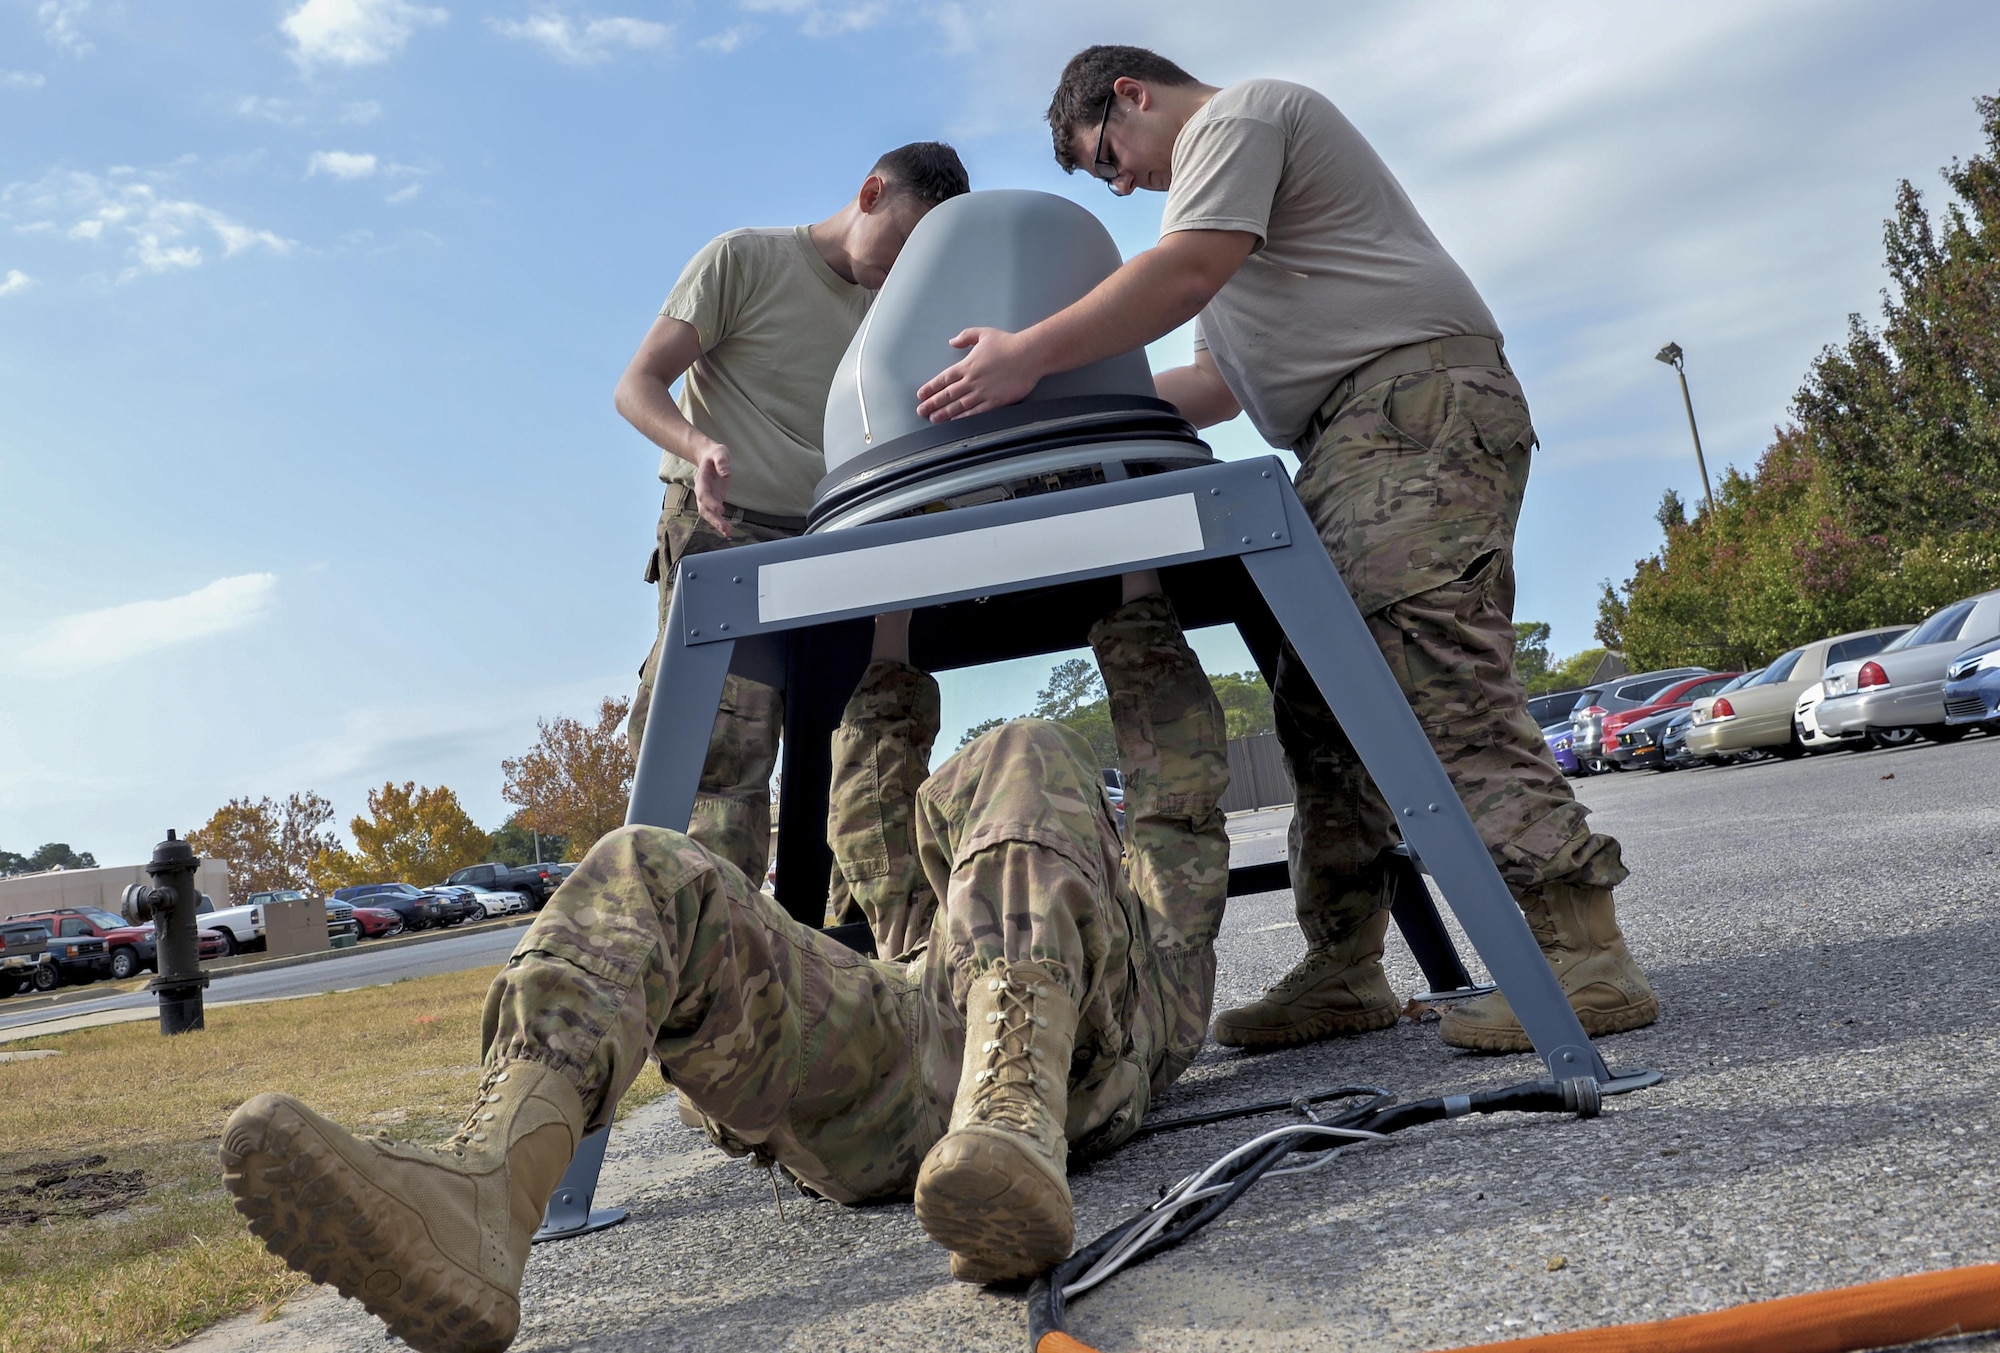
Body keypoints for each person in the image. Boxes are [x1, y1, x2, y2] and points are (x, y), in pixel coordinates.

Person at [219, 574, 1231, 1353]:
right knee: (641, 867)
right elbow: (872, 815)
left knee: (1018, 746)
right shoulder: (918, 935)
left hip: (1078, 1065)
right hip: (908, 1083)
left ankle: (1011, 1125)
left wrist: (1136, 591)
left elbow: (1173, 793)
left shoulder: (1154, 935)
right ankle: (481, 1201)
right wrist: (888, 607)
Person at [912, 46, 1657, 1055]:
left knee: (1433, 676)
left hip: (1410, 411)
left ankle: (1583, 955)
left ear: (1129, 95)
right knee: (1320, 713)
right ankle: (1343, 966)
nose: (1122, 181)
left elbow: (1176, 273)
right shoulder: (1226, 224)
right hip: (1349, 440)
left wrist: (1026, 352)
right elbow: (1211, 390)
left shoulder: (1242, 120)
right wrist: (1044, 407)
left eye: (1107, 156)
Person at [614, 142, 970, 885]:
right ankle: (707, 969)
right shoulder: (741, 260)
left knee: (858, 768)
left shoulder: (898, 310)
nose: (905, 266)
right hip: (723, 532)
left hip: (833, 548)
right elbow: (637, 385)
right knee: (719, 778)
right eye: (904, 240)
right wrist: (698, 443)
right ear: (870, 193)